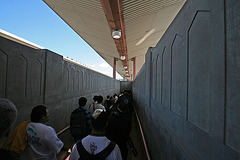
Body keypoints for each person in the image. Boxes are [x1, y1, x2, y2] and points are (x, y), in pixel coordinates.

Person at [105, 96, 133, 160]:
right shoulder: (127, 122)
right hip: (122, 146)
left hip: (111, 146)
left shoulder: (110, 120)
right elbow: (127, 134)